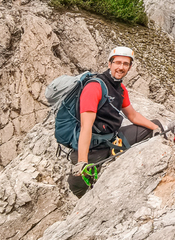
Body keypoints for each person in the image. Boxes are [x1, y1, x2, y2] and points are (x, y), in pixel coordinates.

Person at [67, 47, 163, 196]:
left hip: (112, 140)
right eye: (117, 62)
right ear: (109, 64)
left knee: (154, 126)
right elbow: (86, 126)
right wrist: (82, 161)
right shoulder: (95, 87)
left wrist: (156, 127)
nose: (121, 67)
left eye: (125, 64)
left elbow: (132, 115)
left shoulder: (121, 89)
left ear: (130, 67)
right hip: (93, 147)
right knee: (79, 188)